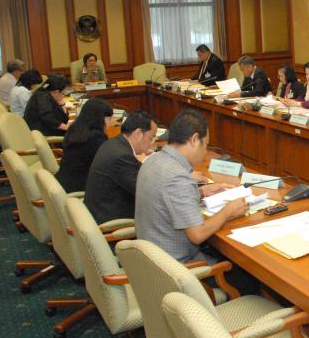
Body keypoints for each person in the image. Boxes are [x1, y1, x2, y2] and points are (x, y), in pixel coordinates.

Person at [135, 109, 244, 263]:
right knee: (242, 271)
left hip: (148, 259)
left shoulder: (153, 160)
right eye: (205, 145)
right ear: (194, 140)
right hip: (176, 266)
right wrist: (228, 211)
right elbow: (197, 234)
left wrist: (200, 192)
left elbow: (166, 196)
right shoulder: (178, 177)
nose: (205, 152)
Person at [84, 111, 158, 224]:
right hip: (111, 223)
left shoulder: (113, 143)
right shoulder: (122, 156)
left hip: (99, 210)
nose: (151, 143)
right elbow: (146, 191)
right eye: (151, 138)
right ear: (138, 134)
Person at [55, 98, 113, 193]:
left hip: (65, 181)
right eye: (109, 119)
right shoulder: (95, 138)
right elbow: (110, 163)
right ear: (99, 118)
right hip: (80, 187)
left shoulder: (76, 128)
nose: (110, 123)